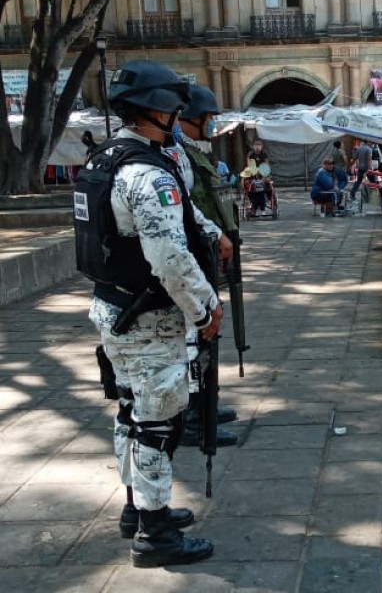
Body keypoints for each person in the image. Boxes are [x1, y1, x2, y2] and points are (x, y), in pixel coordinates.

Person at [84, 60, 216, 566]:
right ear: (159, 109)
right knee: (158, 424)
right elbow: (170, 259)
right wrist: (206, 310)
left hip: (112, 309)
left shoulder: (105, 160)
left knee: (129, 412)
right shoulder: (146, 171)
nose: (181, 114)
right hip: (148, 320)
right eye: (175, 106)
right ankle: (155, 536)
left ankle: (136, 510)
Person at [169, 84, 239, 447]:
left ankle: (205, 404)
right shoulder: (174, 154)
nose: (213, 124)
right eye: (209, 118)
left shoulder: (188, 152)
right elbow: (182, 211)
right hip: (187, 263)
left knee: (203, 338)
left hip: (202, 257)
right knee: (195, 339)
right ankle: (195, 418)